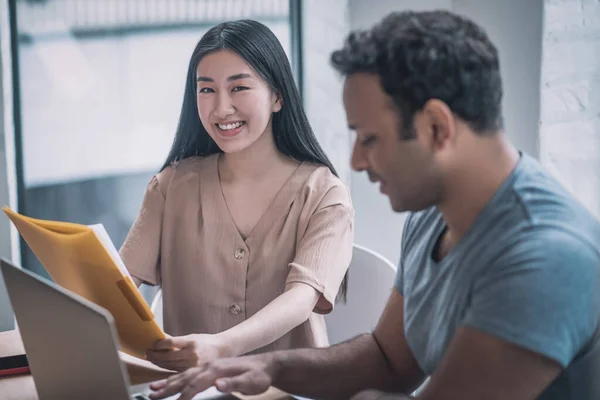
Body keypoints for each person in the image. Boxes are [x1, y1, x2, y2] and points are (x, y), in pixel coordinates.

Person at [147, 10, 600, 400]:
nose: (357, 162)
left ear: (437, 128)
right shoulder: (432, 215)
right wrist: (271, 369)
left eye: (370, 139)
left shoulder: (545, 257)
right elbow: (390, 359)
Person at [119, 19, 354, 372]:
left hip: (290, 389)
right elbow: (121, 283)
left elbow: (301, 298)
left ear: (277, 96)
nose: (221, 108)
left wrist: (221, 346)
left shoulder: (324, 194)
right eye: (207, 90)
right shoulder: (170, 187)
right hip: (189, 389)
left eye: (239, 87)